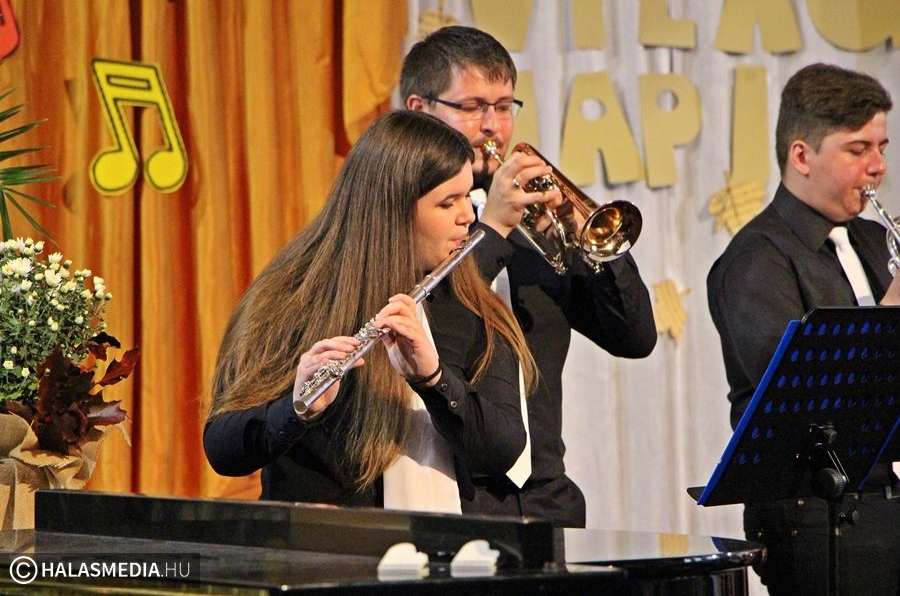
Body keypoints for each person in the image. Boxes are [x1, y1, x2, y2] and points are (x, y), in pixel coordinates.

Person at [204, 110, 538, 512]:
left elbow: (503, 451)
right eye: (447, 202)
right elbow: (222, 448)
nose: (468, 216)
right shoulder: (291, 296)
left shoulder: (473, 305)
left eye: (467, 196)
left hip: (441, 544)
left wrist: (434, 380)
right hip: (321, 542)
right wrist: (295, 409)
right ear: (392, 209)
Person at [402, 26, 657, 527]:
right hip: (451, 492)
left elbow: (635, 337)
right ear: (419, 110)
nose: (492, 126)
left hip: (546, 495)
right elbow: (433, 318)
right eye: (472, 107)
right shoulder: (405, 221)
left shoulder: (533, 228)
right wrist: (491, 230)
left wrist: (590, 241)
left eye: (503, 106)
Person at [707, 63, 900, 595]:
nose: (878, 165)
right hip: (815, 519)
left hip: (884, 505)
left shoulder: (870, 240)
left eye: (881, 147)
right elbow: (807, 401)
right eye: (857, 149)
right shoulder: (756, 259)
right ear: (801, 156)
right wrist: (895, 307)